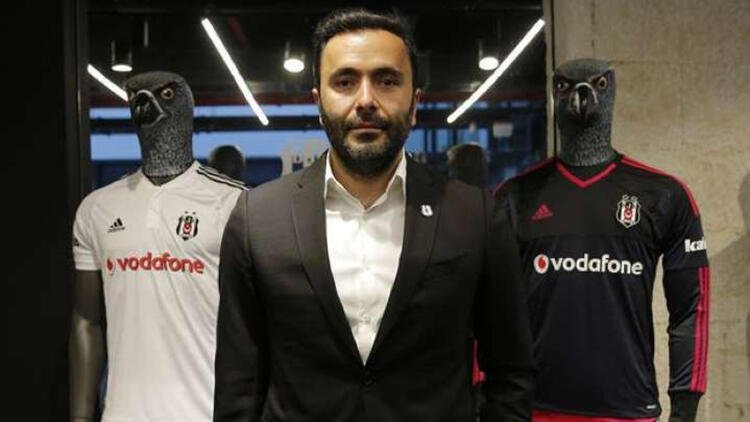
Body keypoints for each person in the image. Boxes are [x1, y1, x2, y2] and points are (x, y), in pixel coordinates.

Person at [214, 8, 534, 421]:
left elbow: (510, 373)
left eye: (387, 81)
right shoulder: (257, 220)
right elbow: (238, 386)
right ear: (318, 102)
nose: (366, 100)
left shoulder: (475, 217)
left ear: (415, 102)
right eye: (345, 82)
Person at [494, 58, 710, 422]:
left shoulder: (664, 195)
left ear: (612, 91)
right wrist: (487, 399)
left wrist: (685, 409)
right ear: (554, 94)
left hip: (628, 408)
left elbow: (691, 309)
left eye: (597, 85)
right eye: (565, 86)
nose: (581, 97)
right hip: (534, 408)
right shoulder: (515, 197)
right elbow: (489, 309)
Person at [69, 71, 245, 422]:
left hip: (205, 413)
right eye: (134, 95)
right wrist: (80, 417)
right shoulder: (97, 209)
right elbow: (87, 320)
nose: (142, 102)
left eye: (162, 95)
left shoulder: (235, 204)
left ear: (185, 106)